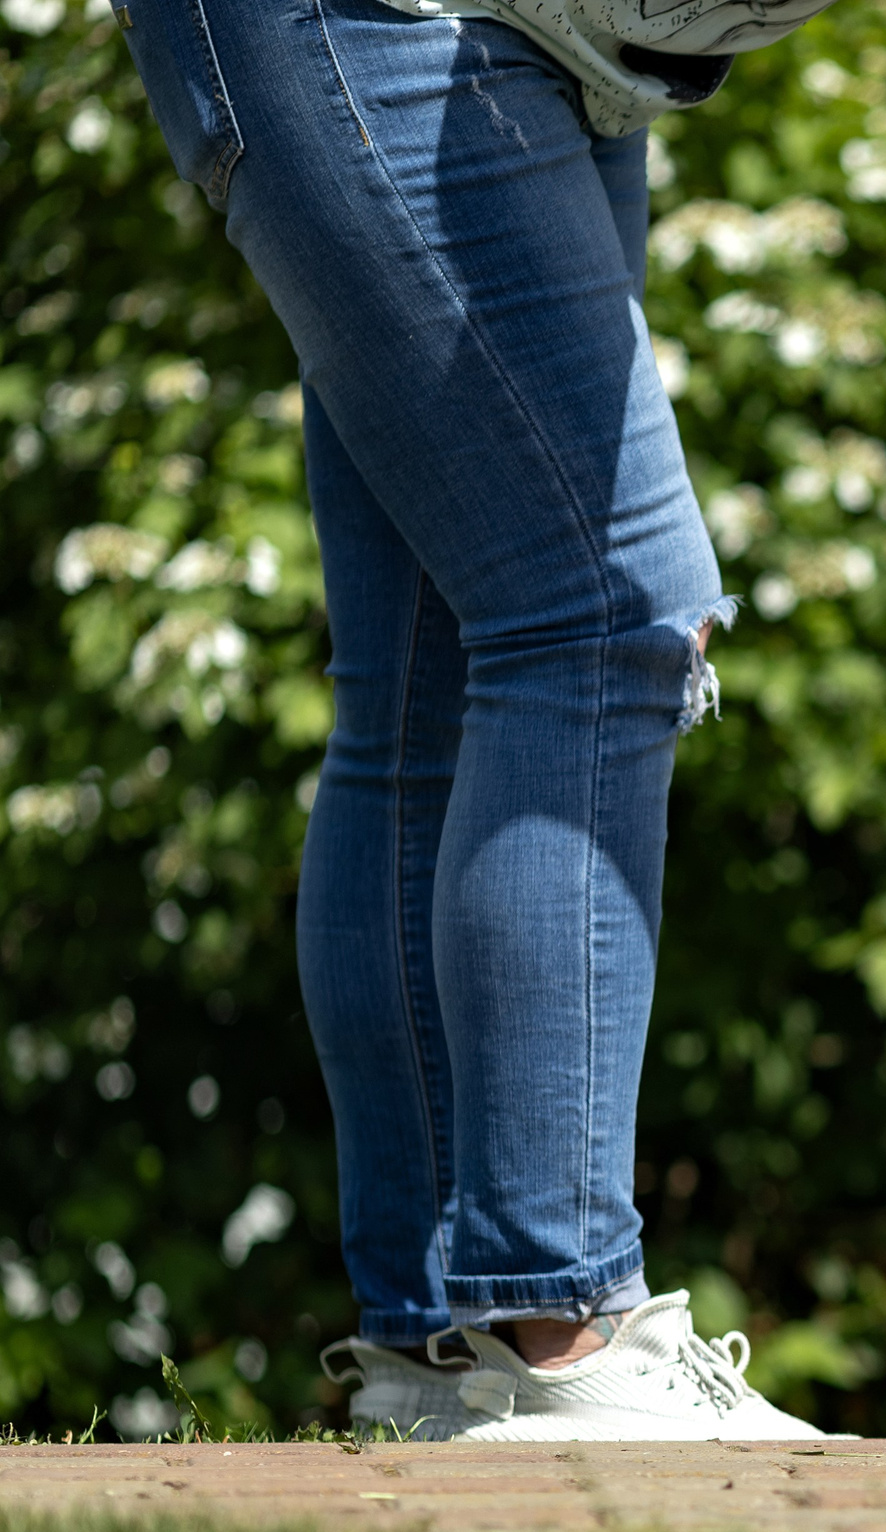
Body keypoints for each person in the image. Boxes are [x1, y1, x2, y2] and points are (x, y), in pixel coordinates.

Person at [123, 0, 835, 1439]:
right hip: (377, 20)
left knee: (429, 675)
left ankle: (442, 1349)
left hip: (533, 36)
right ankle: (557, 1325)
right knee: (597, 609)